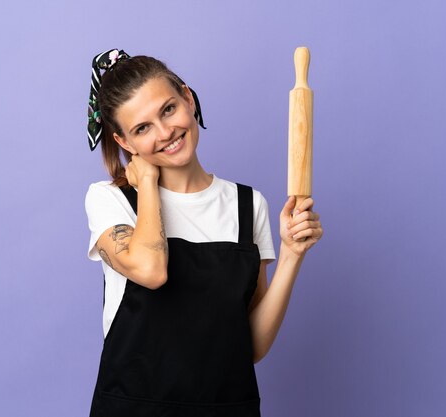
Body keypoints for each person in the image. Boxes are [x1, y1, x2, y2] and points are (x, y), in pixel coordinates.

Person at [84, 48, 323, 417]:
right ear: (125, 144)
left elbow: (252, 346)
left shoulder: (247, 205)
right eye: (142, 128)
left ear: (188, 98)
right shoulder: (110, 200)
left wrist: (292, 253)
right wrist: (147, 184)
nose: (166, 133)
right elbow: (151, 270)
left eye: (168, 109)